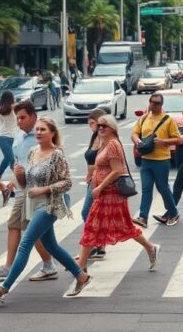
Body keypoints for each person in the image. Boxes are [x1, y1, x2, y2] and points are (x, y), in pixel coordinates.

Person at [0, 117, 92, 301]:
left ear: (52, 133)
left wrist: (45, 189)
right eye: (37, 129)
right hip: (34, 202)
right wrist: (20, 176)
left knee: (26, 243)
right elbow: (28, 184)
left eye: (43, 130)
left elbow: (67, 182)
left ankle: (4, 288)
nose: (38, 132)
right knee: (51, 246)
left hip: (51, 203)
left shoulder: (57, 155)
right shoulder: (33, 152)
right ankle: (81, 276)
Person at [0, 101, 59, 283]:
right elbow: (18, 161)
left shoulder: (41, 135)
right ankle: (17, 266)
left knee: (34, 232)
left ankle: (47, 265)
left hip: (35, 189)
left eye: (23, 117)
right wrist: (13, 180)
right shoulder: (20, 134)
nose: (19, 121)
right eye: (17, 118)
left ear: (33, 116)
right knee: (16, 226)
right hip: (23, 187)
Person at [76, 114, 159, 273]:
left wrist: (99, 187)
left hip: (111, 193)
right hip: (103, 193)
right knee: (119, 226)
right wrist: (93, 179)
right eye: (99, 126)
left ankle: (81, 266)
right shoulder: (103, 143)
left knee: (94, 226)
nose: (100, 128)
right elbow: (101, 166)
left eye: (104, 126)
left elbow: (117, 170)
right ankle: (150, 247)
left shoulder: (113, 144)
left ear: (112, 128)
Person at [131, 93, 181, 226]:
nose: (154, 105)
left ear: (161, 104)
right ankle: (143, 217)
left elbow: (178, 139)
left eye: (157, 103)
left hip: (161, 160)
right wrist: (137, 141)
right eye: (152, 102)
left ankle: (173, 213)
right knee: (146, 188)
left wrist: (163, 141)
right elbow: (135, 133)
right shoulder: (144, 117)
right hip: (146, 159)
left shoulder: (168, 120)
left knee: (163, 188)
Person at [80, 109, 109, 260]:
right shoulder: (95, 137)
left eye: (92, 123)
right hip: (92, 180)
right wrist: (88, 174)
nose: (90, 126)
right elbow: (91, 159)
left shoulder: (105, 138)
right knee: (94, 213)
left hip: (100, 181)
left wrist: (96, 178)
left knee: (87, 212)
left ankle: (95, 244)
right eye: (89, 123)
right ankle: (99, 245)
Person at [0, 91, 17, 180]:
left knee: (10, 159)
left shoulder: (1, 109)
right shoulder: (11, 108)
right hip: (3, 137)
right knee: (9, 158)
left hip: (12, 136)